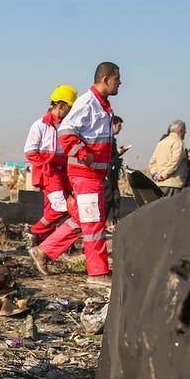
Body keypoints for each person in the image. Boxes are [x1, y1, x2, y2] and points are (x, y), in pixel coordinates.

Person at [37, 61, 122, 288]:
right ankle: (97, 273)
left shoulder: (101, 104)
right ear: (105, 80)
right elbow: (66, 132)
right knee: (93, 223)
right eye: (117, 79)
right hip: (85, 174)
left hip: (93, 175)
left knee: (83, 218)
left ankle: (44, 251)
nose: (120, 83)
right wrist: (84, 155)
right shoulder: (88, 102)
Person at [23, 84, 76, 256]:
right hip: (48, 172)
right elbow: (30, 152)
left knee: (51, 210)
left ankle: (43, 244)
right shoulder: (39, 126)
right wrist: (47, 166)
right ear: (61, 105)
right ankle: (34, 232)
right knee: (60, 207)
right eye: (70, 107)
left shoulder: (67, 126)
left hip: (62, 172)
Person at [148, 120, 188, 195]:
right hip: (173, 183)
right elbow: (175, 162)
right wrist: (164, 175)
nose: (185, 134)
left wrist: (155, 175)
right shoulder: (178, 142)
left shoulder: (161, 143)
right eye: (185, 131)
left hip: (159, 184)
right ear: (181, 130)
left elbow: (152, 162)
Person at [104, 116, 130, 223]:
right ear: (113, 125)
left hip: (113, 174)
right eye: (119, 126)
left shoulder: (112, 139)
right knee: (108, 199)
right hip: (108, 174)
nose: (120, 128)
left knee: (116, 198)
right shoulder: (106, 139)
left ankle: (115, 222)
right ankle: (101, 223)